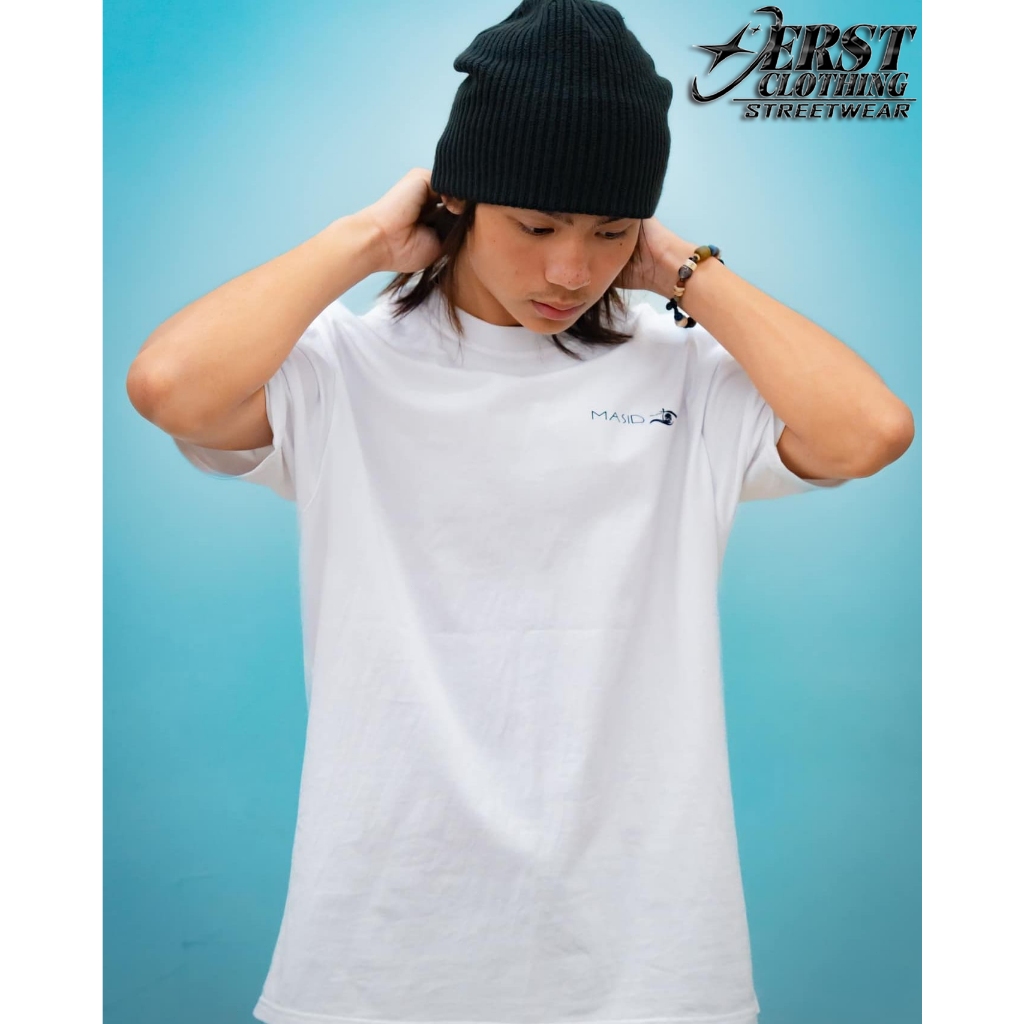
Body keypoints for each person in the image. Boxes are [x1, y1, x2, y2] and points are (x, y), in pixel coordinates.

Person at [126, 1, 914, 1022]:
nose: (570, 271)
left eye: (609, 232)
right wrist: (366, 240)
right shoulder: (343, 370)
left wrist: (684, 271)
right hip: (378, 954)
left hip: (648, 963)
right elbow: (170, 386)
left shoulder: (685, 377)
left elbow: (869, 432)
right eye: (536, 226)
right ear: (457, 200)